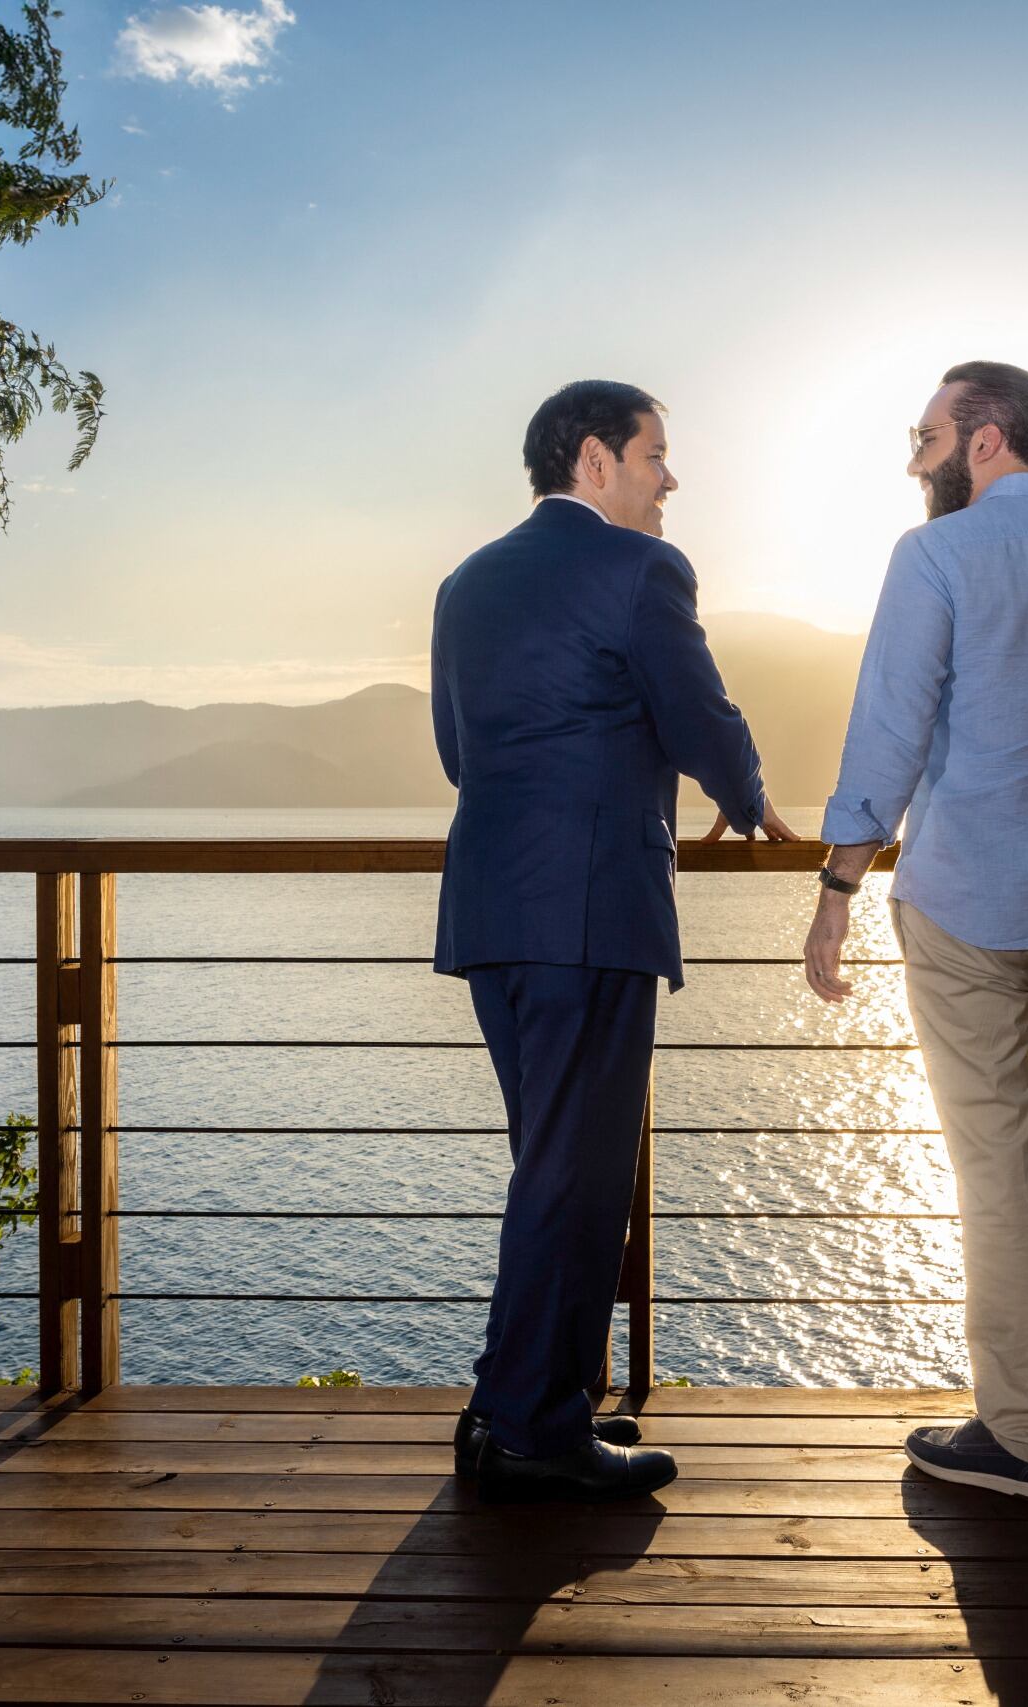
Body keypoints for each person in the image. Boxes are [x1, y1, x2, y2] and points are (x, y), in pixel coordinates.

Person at [431, 379, 795, 1501]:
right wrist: (747, 795)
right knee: (576, 1176)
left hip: (493, 908)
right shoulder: (642, 570)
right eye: (654, 455)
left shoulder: (466, 581)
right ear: (595, 460)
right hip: (591, 909)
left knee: (549, 1164)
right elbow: (699, 715)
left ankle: (510, 1406)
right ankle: (533, 1431)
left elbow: (456, 751)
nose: (669, 478)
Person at [804, 361, 1028, 1501]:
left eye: (927, 438)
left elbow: (889, 729)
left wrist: (839, 881)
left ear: (986, 440)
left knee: (993, 1164)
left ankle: (1017, 1434)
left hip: (965, 902)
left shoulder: (936, 556)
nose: (917, 462)